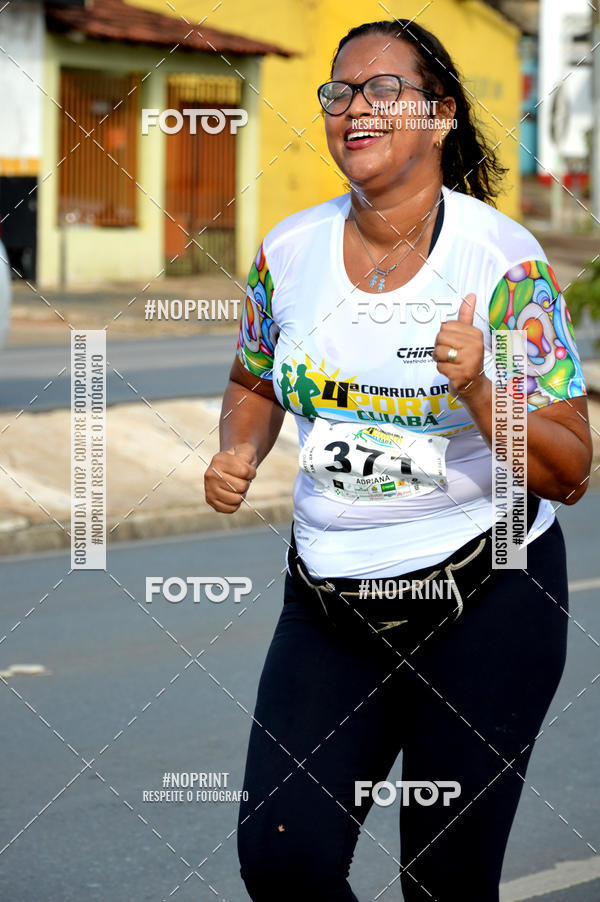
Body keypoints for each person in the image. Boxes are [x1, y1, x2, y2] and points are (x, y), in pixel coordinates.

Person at [204, 18, 593, 902]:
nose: (354, 108)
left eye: (384, 90)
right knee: (283, 863)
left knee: (442, 883)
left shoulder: (501, 263)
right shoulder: (289, 251)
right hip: (328, 599)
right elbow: (253, 377)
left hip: (487, 597)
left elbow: (572, 468)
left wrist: (485, 394)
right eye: (339, 92)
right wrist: (238, 444)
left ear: (441, 115)